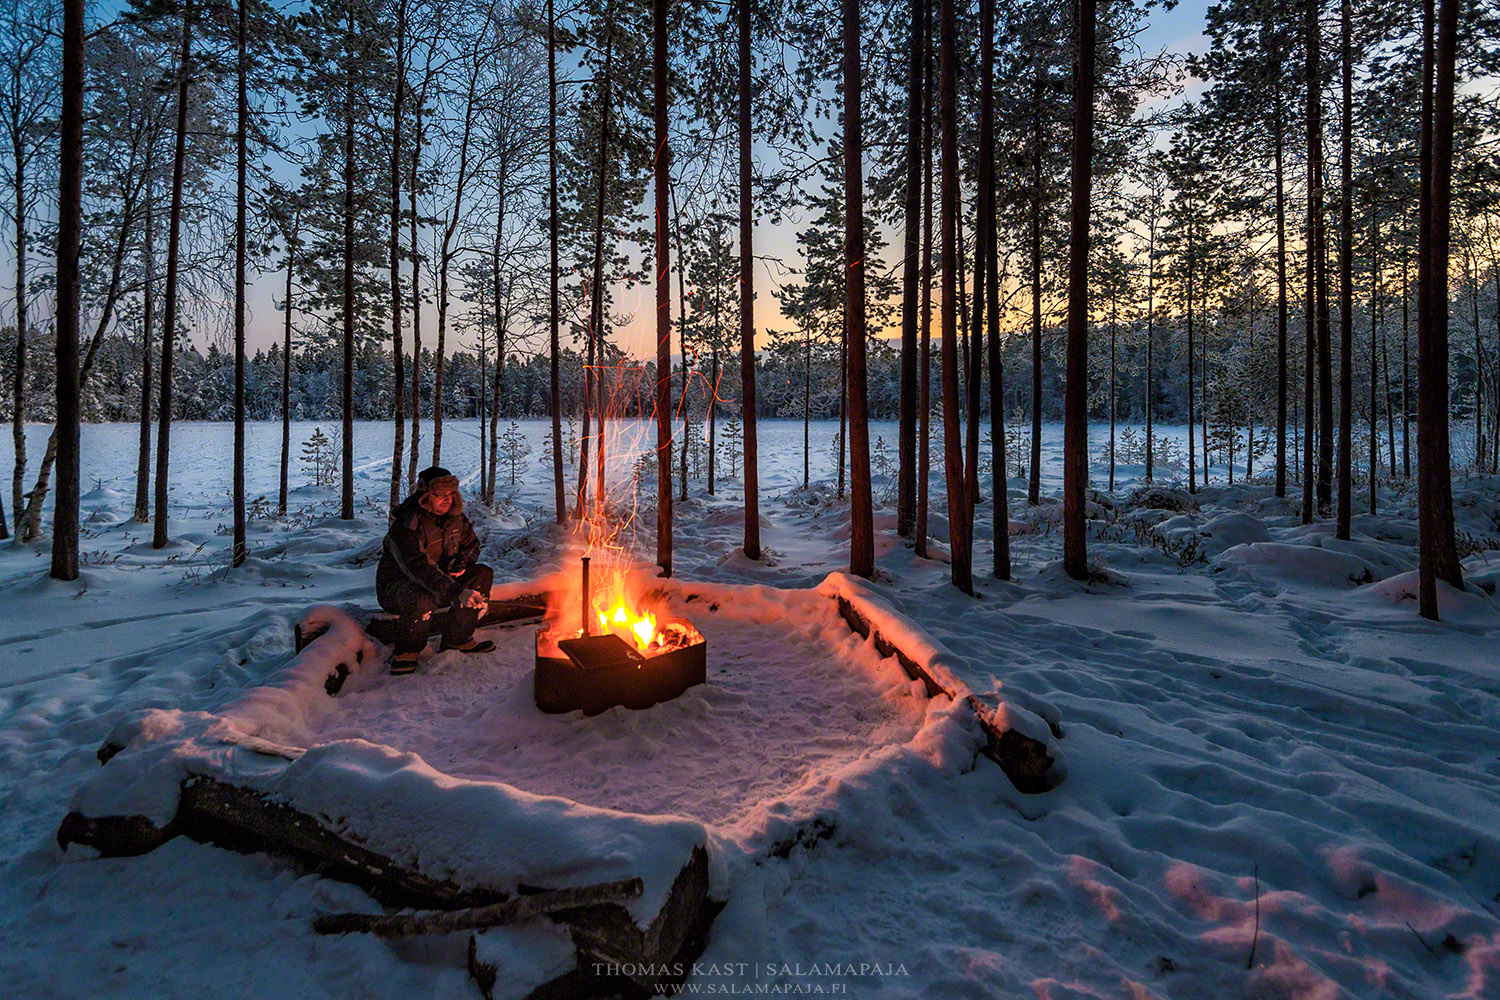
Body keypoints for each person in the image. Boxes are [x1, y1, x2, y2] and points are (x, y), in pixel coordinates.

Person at [377, 466, 495, 674]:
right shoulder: (407, 525)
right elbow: (418, 569)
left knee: (482, 574)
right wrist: (456, 591)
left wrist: (460, 565)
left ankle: (457, 639)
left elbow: (471, 545)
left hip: (442, 582)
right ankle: (407, 651)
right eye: (440, 495)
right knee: (421, 593)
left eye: (450, 494)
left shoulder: (456, 518)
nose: (447, 499)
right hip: (399, 588)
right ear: (425, 495)